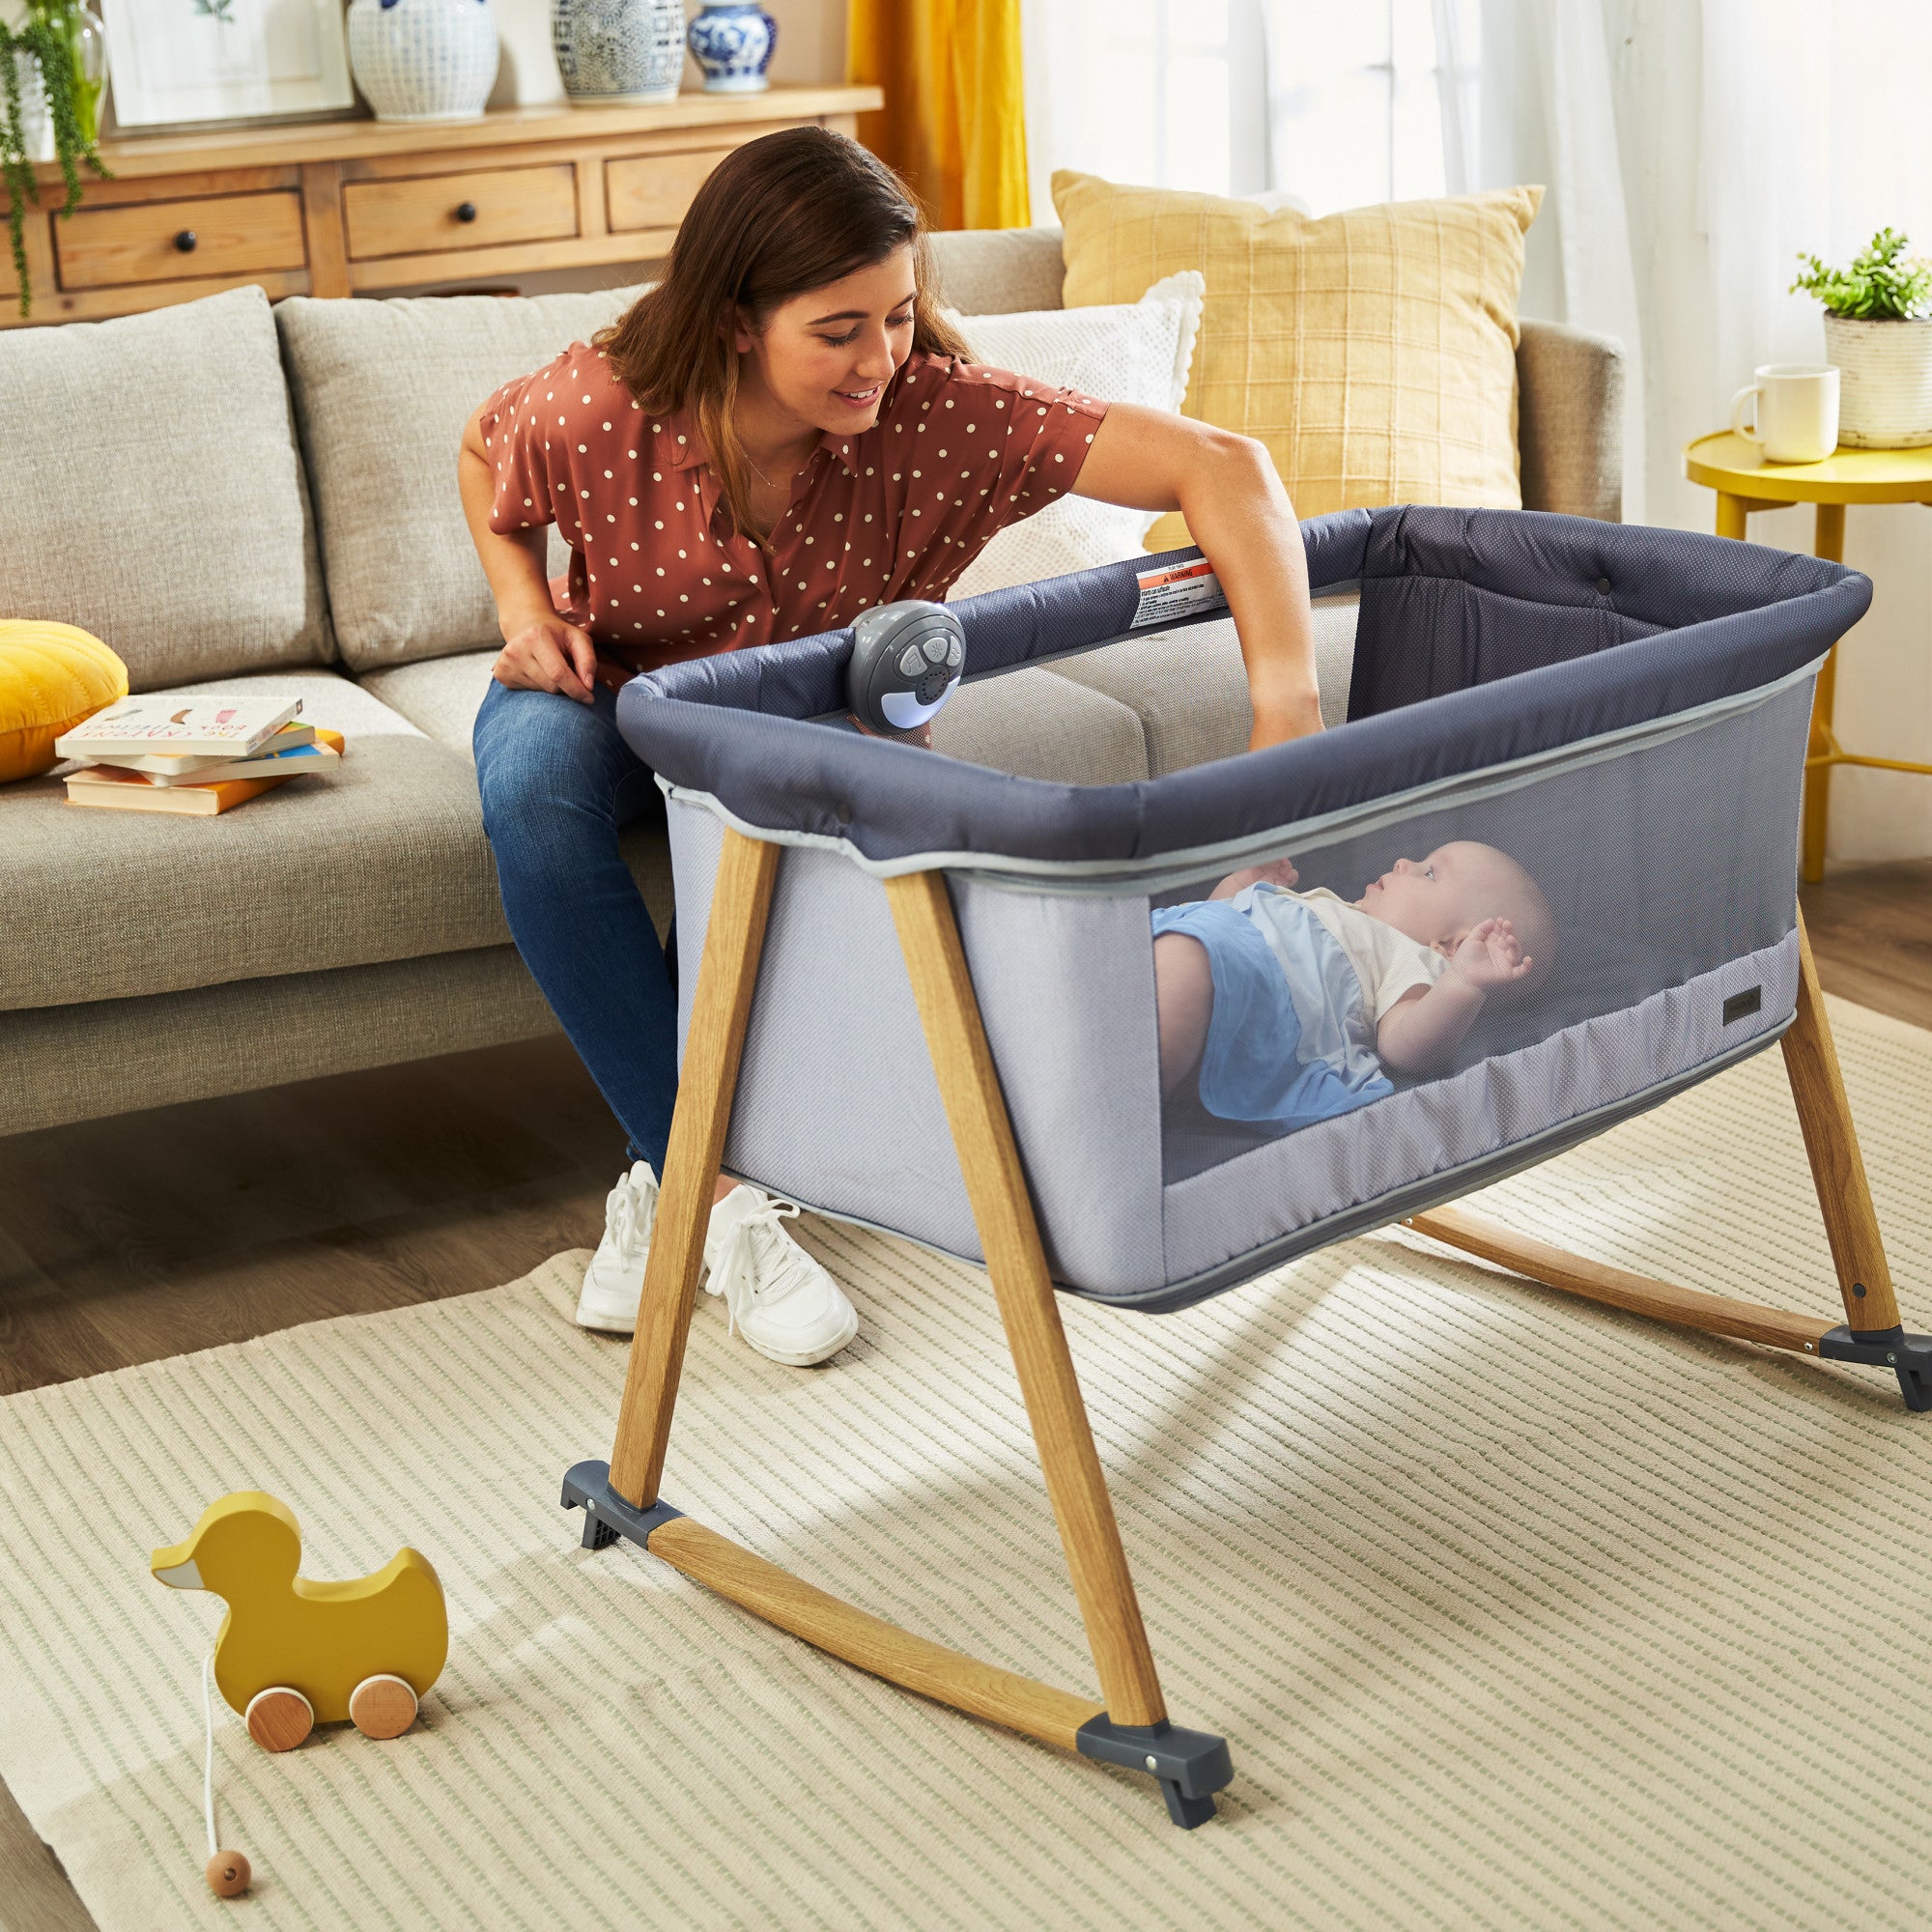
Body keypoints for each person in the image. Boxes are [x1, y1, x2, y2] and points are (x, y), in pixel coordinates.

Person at [459, 126, 1323, 1365]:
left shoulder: (936, 416)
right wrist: (523, 610)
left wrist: (1280, 721)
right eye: (839, 330)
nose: (880, 360)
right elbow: (484, 449)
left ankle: (662, 1189)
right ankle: (722, 1203)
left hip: (766, 715)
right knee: (533, 809)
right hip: (594, 678)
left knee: (755, 846)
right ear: (734, 322)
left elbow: (1220, 465)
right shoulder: (601, 407)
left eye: (900, 318)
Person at [1151, 842, 1555, 1130]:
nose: (1402, 862)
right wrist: (1241, 884)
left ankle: (1120, 1117)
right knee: (1177, 960)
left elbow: (1403, 1046)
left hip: (1256, 999)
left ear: (1451, 946)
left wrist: (1462, 984)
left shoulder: (1406, 957)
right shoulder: (1337, 911)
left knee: (1185, 966)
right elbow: (1225, 919)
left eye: (1429, 873)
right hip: (1205, 952)